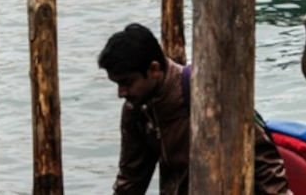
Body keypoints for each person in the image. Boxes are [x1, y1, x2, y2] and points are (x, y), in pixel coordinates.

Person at [98, 23, 289, 194]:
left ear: (154, 70)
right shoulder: (137, 109)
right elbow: (131, 178)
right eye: (117, 84)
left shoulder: (207, 94)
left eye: (127, 83)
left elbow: (264, 163)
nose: (121, 93)